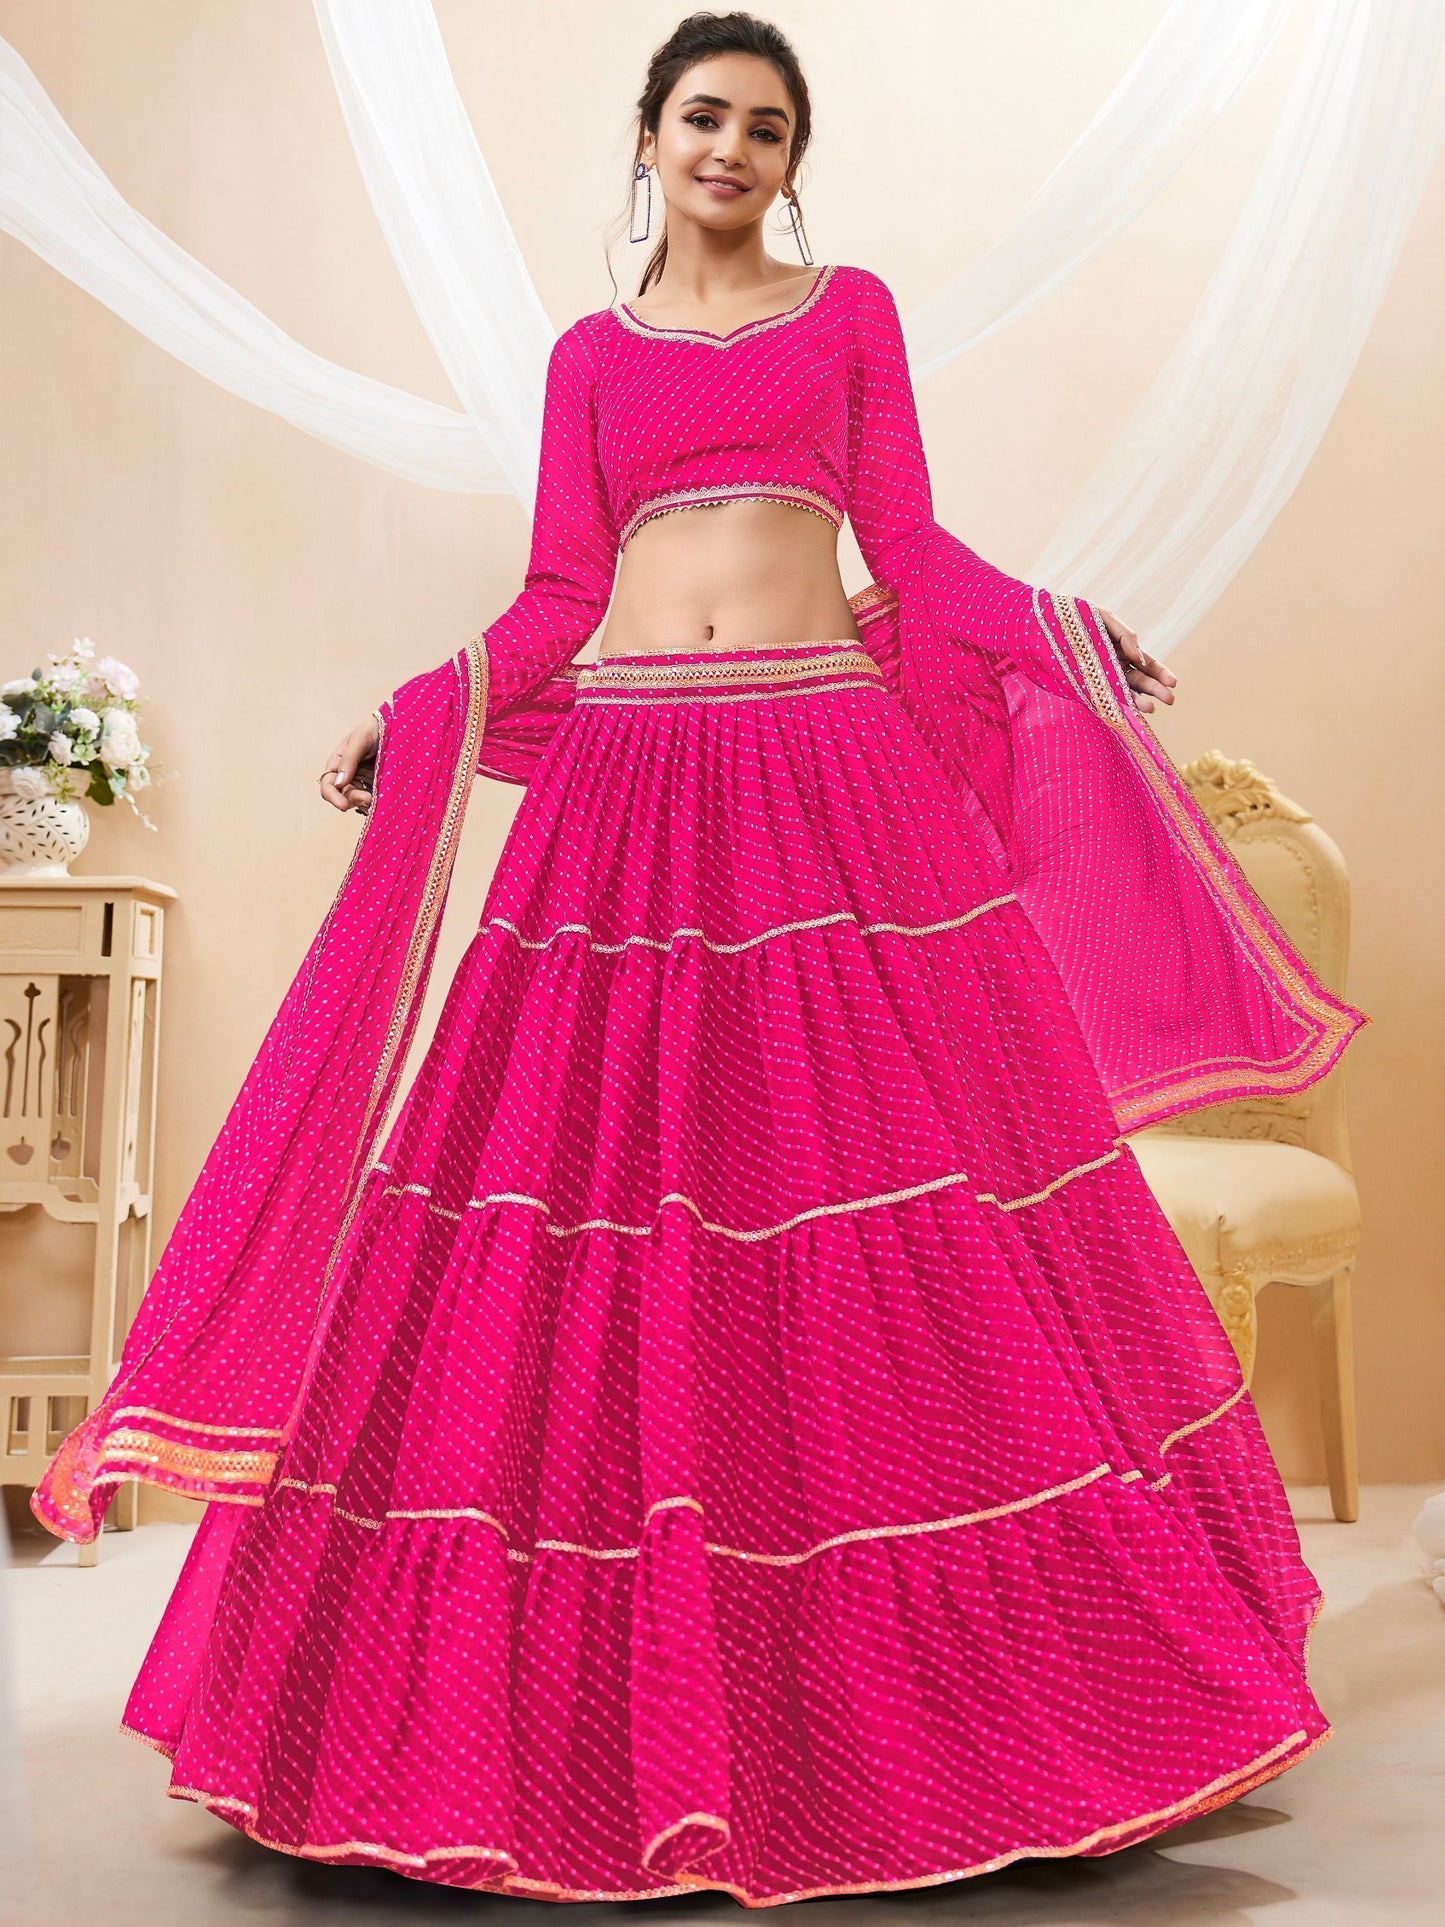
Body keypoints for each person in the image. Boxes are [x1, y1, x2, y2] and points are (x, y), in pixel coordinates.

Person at [32, 11, 1368, 1906]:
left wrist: (1054, 625)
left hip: (829, 773)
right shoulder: (588, 358)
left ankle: (974, 1720)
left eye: (763, 127)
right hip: (632, 785)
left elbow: (908, 549)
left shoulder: (849, 317)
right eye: (701, 119)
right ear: (647, 139)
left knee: (870, 1198)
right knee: (605, 1206)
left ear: (791, 160)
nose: (729, 149)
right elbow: (558, 599)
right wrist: (422, 708)